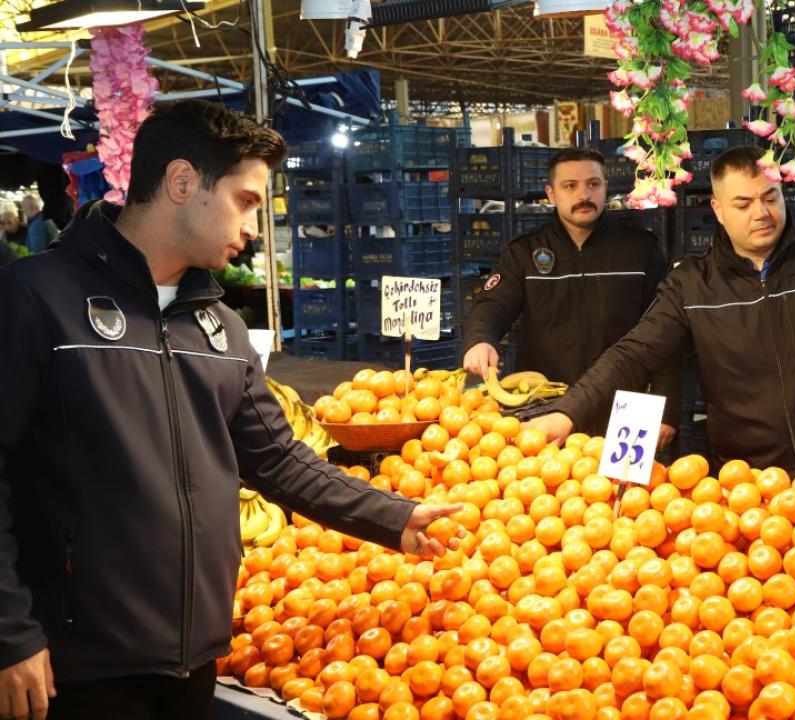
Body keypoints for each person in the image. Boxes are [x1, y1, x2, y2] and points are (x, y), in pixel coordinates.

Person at [0, 100, 463, 720]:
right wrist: (11, 635)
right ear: (183, 182)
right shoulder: (35, 299)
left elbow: (277, 459)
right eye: (246, 201)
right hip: (72, 667)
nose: (254, 227)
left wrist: (396, 516)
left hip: (194, 660)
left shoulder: (218, 326)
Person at [526, 145, 795, 474]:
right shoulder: (692, 284)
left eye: (771, 197)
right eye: (743, 203)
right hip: (749, 486)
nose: (761, 213)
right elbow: (634, 353)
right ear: (717, 209)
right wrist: (569, 413)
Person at [461, 147, 681, 443]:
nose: (584, 195)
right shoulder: (525, 251)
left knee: (631, 490)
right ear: (551, 194)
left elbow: (665, 333)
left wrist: (666, 410)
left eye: (593, 184)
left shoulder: (640, 249)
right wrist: (480, 339)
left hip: (625, 408)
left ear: (606, 188)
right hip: (544, 406)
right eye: (570, 186)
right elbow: (492, 303)